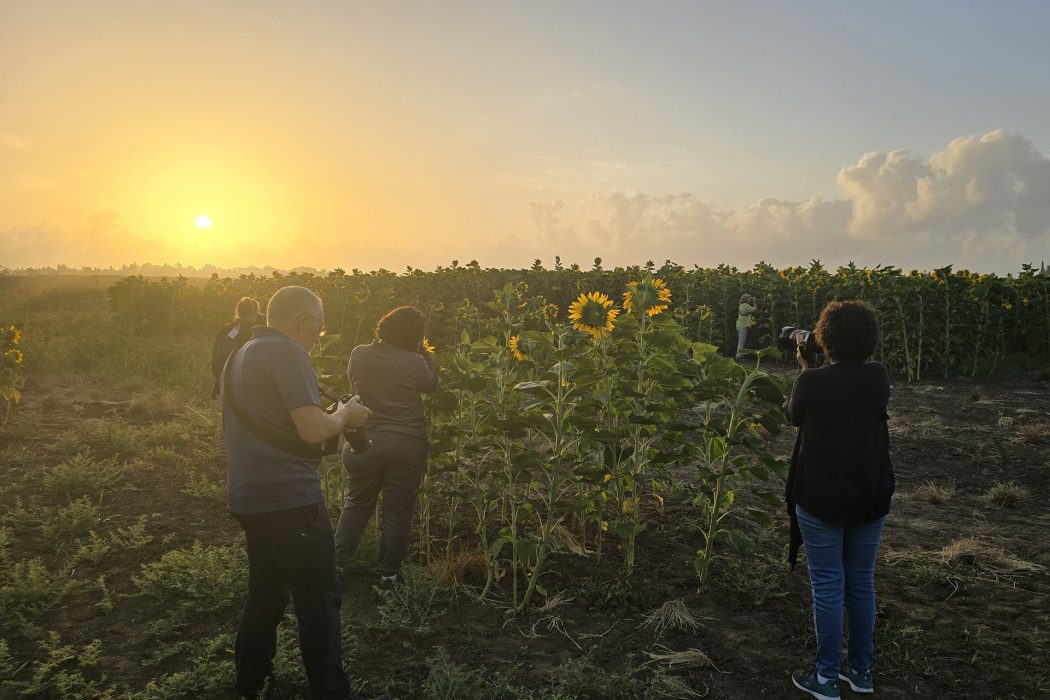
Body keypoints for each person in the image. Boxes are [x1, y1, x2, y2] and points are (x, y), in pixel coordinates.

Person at [221, 286, 372, 700]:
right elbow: (310, 429)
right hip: (290, 500)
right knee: (318, 602)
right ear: (304, 320)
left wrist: (330, 421)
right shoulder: (287, 353)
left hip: (247, 496)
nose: (317, 336)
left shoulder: (240, 354)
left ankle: (249, 684)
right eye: (319, 329)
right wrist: (345, 415)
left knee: (265, 594)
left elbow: (281, 424)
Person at [785, 300, 895, 700]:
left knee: (829, 584)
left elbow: (794, 415)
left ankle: (826, 678)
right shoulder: (878, 377)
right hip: (870, 495)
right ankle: (861, 673)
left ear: (823, 338)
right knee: (861, 581)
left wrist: (805, 364)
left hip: (821, 498)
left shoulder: (811, 382)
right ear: (870, 339)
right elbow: (849, 385)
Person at [334, 306, 438, 586]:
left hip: (363, 440)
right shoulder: (414, 362)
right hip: (406, 443)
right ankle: (389, 575)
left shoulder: (359, 354)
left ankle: (336, 566)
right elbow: (431, 383)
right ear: (415, 335)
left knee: (356, 504)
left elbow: (355, 384)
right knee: (398, 511)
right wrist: (422, 351)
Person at [211, 296, 263, 399]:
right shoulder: (257, 331)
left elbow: (215, 354)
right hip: (247, 386)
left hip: (223, 382)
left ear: (238, 311)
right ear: (255, 312)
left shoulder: (227, 329)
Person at [735, 293, 757, 360]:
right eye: (749, 298)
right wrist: (754, 302)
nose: (750, 299)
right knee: (741, 341)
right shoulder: (745, 305)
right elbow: (755, 309)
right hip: (742, 326)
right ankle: (738, 356)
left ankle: (740, 355)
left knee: (742, 341)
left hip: (740, 325)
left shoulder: (742, 305)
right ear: (746, 299)